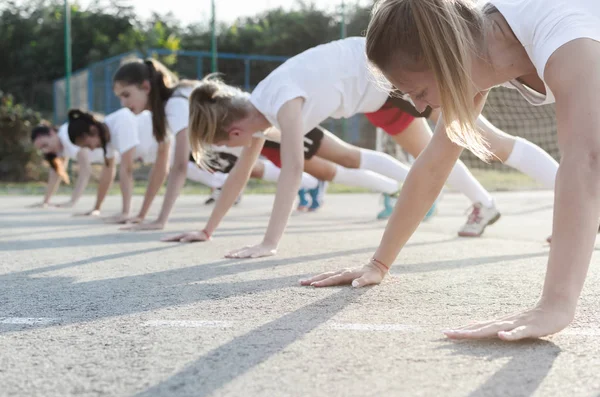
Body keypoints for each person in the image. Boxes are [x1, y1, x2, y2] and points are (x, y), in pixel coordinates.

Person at [302, 0, 600, 341]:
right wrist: (378, 264)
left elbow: (587, 160)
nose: (416, 105)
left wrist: (555, 305)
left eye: (418, 91)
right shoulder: (480, 48)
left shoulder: (563, 35)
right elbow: (433, 165)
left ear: (446, 56)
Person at [177, 37, 558, 257]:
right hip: (377, 94)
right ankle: (484, 204)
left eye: (225, 145)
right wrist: (208, 230)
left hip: (390, 74)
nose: (236, 151)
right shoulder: (261, 104)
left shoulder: (280, 102)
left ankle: (583, 197)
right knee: (435, 150)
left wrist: (268, 243)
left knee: (488, 142)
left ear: (234, 134)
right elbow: (241, 174)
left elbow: (292, 170)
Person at [67, 108, 138, 222]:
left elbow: (127, 169)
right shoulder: (106, 137)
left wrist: (125, 213)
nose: (92, 149)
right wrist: (96, 208)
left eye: (88, 145)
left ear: (93, 129)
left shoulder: (120, 122)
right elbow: (107, 173)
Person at [28, 123, 109, 211]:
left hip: (116, 151)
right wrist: (45, 201)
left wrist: (72, 201)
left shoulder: (67, 135)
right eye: (42, 149)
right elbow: (56, 173)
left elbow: (86, 169)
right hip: (112, 155)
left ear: (51, 133)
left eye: (45, 145)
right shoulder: (60, 146)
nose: (46, 151)